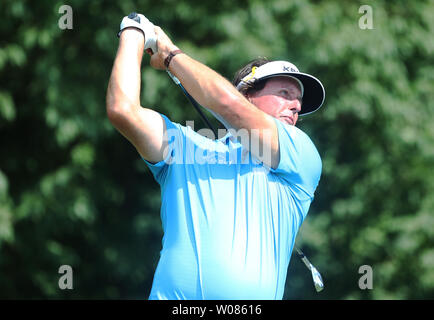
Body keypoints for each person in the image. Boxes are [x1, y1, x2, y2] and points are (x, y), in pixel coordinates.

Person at [106, 13, 325, 300]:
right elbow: (123, 110)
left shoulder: (300, 155)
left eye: (298, 103)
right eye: (284, 93)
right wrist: (133, 31)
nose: (295, 106)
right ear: (246, 95)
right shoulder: (185, 146)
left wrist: (170, 55)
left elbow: (225, 103)